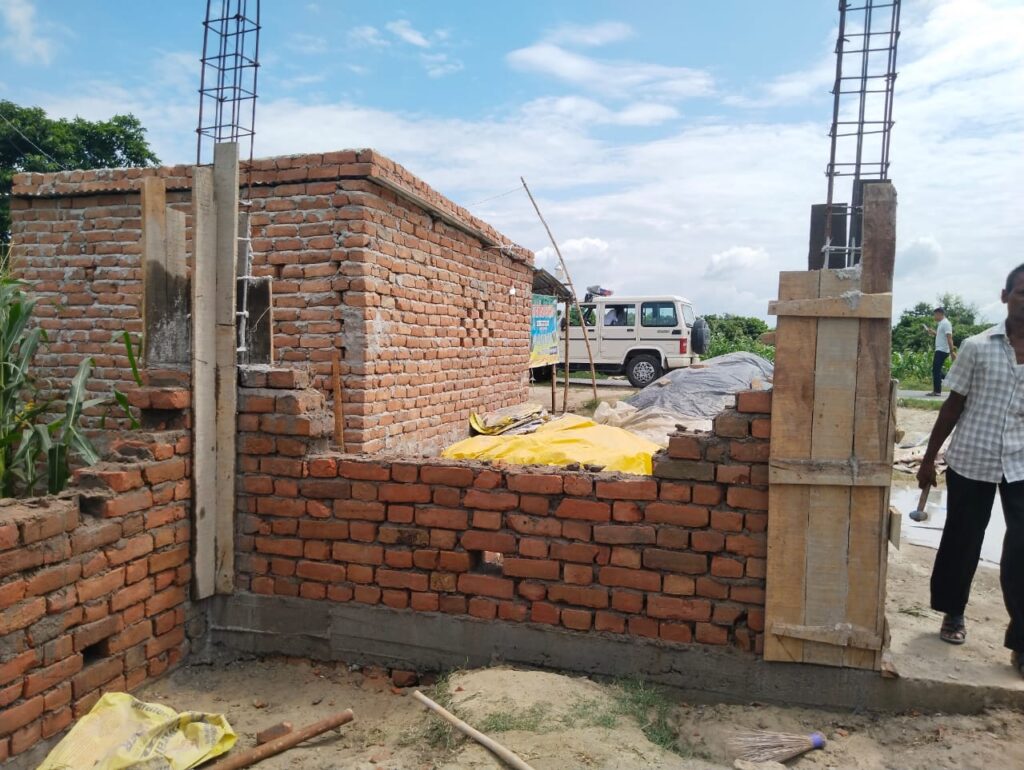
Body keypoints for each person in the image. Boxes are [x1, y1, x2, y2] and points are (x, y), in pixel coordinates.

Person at [917, 264, 1024, 680]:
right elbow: (953, 406)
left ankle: (1021, 640)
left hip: (1020, 463)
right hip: (972, 458)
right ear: (1005, 296)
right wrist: (928, 459)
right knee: (963, 538)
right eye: (1021, 292)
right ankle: (953, 612)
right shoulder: (978, 347)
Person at [925, 307, 955, 396]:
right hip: (940, 349)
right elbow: (941, 336)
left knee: (936, 370)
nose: (934, 317)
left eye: (935, 315)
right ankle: (951, 380)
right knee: (936, 370)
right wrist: (933, 332)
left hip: (942, 350)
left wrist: (952, 351)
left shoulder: (946, 323)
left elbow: (949, 338)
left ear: (940, 314)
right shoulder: (941, 323)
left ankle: (937, 391)